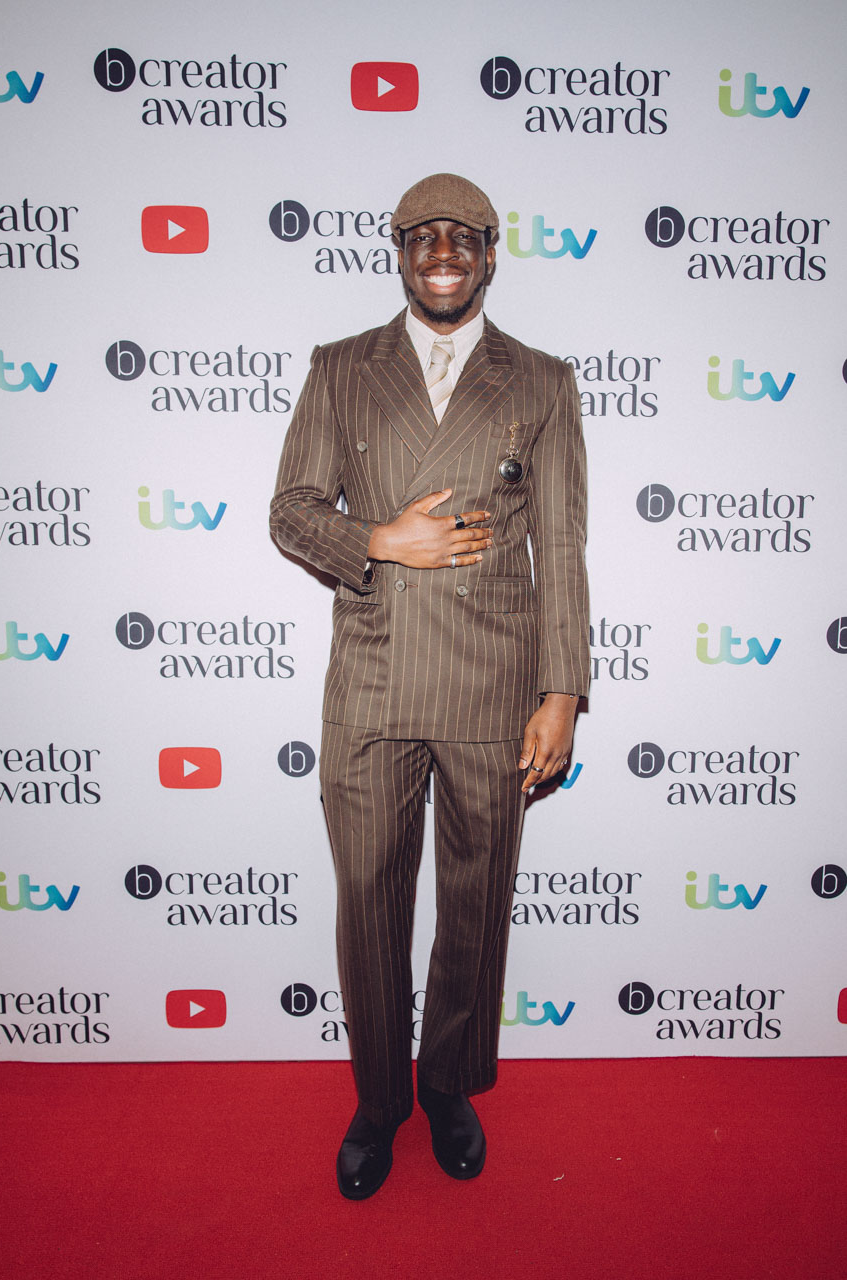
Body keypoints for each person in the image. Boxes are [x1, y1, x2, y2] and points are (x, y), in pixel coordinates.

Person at [270, 173, 589, 1199]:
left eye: (463, 236)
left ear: (490, 253)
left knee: (473, 900)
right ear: (399, 252)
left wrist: (561, 690)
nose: (441, 250)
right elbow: (289, 509)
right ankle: (377, 1098)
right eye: (421, 236)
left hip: (496, 685)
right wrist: (378, 539)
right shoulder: (341, 368)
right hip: (371, 682)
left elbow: (563, 546)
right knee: (367, 899)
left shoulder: (541, 379)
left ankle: (447, 1083)